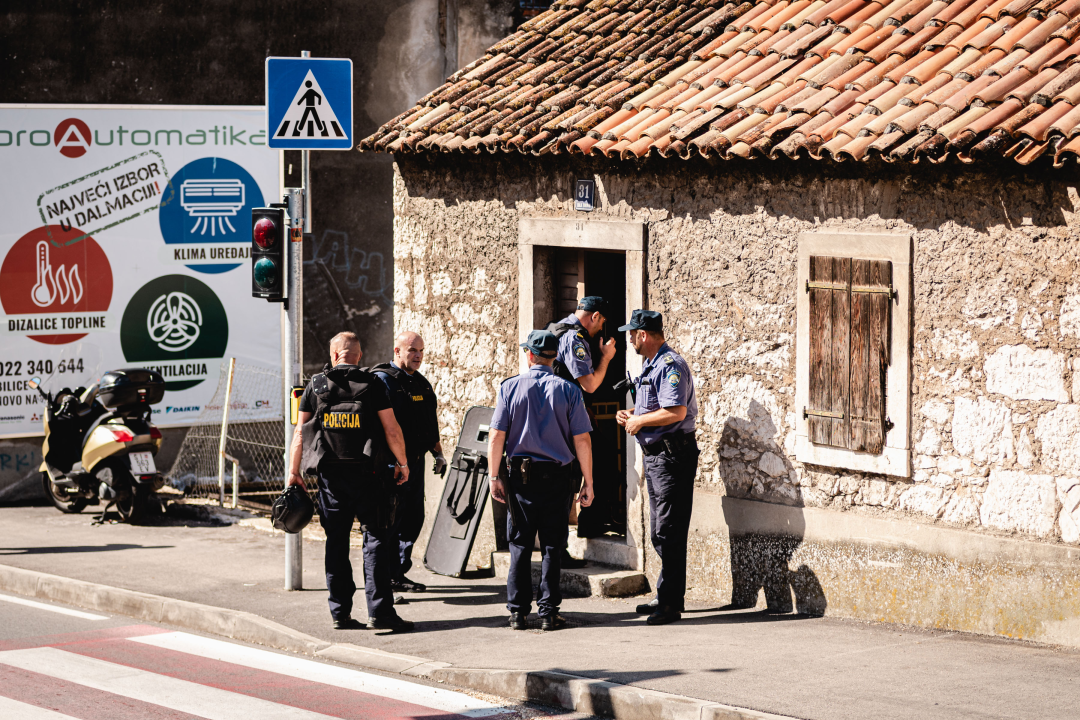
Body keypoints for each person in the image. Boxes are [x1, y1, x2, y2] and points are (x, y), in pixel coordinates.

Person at [287, 331, 415, 632]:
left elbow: (299, 434)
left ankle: (340, 613)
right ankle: (380, 613)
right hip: (370, 477)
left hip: (330, 479)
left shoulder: (314, 387)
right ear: (359, 355)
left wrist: (294, 473)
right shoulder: (373, 385)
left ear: (334, 355)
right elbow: (392, 430)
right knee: (376, 541)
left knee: (336, 543)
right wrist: (403, 463)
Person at [488, 330, 595, 631]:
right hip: (558, 477)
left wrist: (494, 475)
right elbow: (583, 441)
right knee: (552, 544)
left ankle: (517, 613)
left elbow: (497, 436)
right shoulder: (569, 390)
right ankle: (548, 612)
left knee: (520, 543)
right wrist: (588, 481)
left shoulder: (509, 387)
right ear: (555, 357)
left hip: (520, 477)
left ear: (529, 355)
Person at [616, 310, 698, 626]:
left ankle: (670, 604)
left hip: (671, 457)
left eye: (632, 334)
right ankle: (667, 593)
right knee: (660, 529)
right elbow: (656, 408)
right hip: (656, 456)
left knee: (669, 529)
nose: (630, 340)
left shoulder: (670, 365)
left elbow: (676, 411)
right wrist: (633, 413)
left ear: (644, 335)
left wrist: (640, 421)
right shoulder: (651, 365)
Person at [372, 331, 446, 595]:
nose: (417, 356)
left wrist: (438, 453)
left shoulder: (422, 384)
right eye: (412, 350)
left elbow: (429, 425)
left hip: (415, 463)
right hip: (391, 467)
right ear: (397, 351)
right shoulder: (382, 380)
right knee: (391, 521)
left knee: (413, 519)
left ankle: (398, 572)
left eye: (421, 351)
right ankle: (387, 578)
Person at [549, 296, 617, 567]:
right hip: (566, 419)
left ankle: (575, 535)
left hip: (556, 415)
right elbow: (589, 384)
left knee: (575, 473)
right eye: (602, 323)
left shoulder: (555, 328)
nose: (601, 329)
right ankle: (571, 539)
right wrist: (606, 358)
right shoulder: (575, 339)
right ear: (595, 316)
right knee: (576, 475)